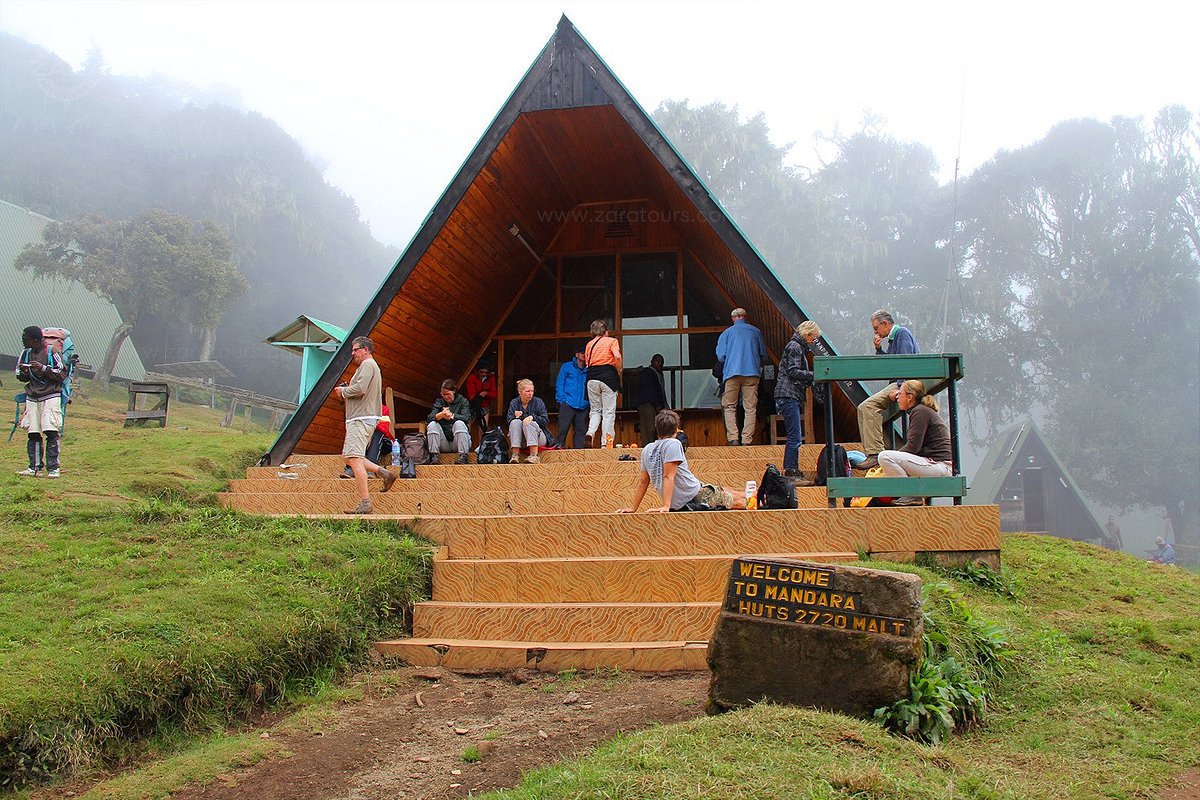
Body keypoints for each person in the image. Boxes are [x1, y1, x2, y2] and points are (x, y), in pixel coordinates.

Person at [618, 409, 746, 513]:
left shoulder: (647, 449)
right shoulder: (673, 443)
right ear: (676, 430)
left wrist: (633, 508)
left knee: (739, 499)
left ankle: (758, 496)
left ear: (657, 429)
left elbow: (643, 481)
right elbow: (667, 476)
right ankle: (753, 495)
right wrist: (666, 506)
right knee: (737, 500)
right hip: (694, 496)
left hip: (696, 493)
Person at [332, 336, 396, 513]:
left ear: (366, 350)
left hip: (360, 418)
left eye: (356, 350)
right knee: (348, 456)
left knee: (353, 458)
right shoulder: (369, 366)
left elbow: (360, 389)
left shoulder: (367, 365)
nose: (353, 353)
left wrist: (343, 391)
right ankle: (383, 473)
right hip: (362, 418)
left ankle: (365, 503)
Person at [856, 310, 920, 470]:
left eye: (876, 327)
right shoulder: (892, 340)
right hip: (900, 381)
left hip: (905, 382)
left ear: (885, 323)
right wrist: (878, 349)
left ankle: (876, 453)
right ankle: (878, 453)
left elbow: (904, 362)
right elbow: (888, 364)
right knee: (864, 411)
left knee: (867, 407)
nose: (875, 332)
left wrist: (901, 388)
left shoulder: (902, 334)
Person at [876, 379, 951, 506]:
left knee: (884, 456)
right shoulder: (920, 411)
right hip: (937, 465)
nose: (897, 396)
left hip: (941, 467)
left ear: (910, 397)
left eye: (900, 393)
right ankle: (910, 494)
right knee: (888, 459)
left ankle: (910, 494)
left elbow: (913, 447)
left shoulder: (920, 411)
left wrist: (887, 464)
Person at [15, 326, 66, 478]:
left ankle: (53, 468)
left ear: (35, 340)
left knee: (51, 431)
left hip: (50, 396)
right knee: (33, 433)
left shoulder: (53, 352)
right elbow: (19, 374)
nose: (23, 342)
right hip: (32, 396)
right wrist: (24, 372)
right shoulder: (25, 354)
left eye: (26, 339)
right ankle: (34, 467)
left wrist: (43, 368)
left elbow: (62, 372)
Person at [775, 320, 820, 478]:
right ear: (807, 334)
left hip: (788, 394)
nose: (813, 341)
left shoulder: (796, 346)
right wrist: (814, 375)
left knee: (794, 434)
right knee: (794, 435)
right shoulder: (795, 346)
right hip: (789, 394)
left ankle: (792, 467)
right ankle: (790, 469)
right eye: (813, 337)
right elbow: (793, 371)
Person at [716, 307, 766, 445]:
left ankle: (733, 439)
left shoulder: (726, 333)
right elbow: (763, 354)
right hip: (752, 373)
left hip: (732, 373)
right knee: (750, 408)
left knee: (729, 406)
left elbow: (721, 356)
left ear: (733, 318)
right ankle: (746, 440)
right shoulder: (756, 332)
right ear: (745, 316)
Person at [583, 319, 622, 448]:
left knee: (595, 410)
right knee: (608, 412)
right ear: (606, 331)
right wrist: (619, 370)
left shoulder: (589, 345)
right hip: (608, 377)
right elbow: (616, 356)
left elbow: (587, 363)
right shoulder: (612, 341)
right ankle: (606, 442)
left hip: (591, 378)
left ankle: (590, 432)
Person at [506, 378, 553, 463]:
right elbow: (509, 421)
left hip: (539, 438)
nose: (530, 393)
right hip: (521, 440)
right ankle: (515, 455)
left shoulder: (538, 402)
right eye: (527, 391)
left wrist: (533, 417)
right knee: (515, 422)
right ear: (520, 392)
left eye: (532, 391)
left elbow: (545, 420)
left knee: (529, 423)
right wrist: (515, 417)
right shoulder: (514, 403)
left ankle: (534, 455)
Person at [341, 404, 393, 479]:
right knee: (358, 432)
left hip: (383, 443)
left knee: (376, 433)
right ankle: (351, 468)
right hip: (364, 442)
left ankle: (371, 469)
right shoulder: (358, 408)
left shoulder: (382, 408)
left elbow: (384, 428)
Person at [426, 378, 472, 464]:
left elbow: (466, 418)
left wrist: (452, 416)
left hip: (459, 442)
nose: (446, 397)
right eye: (443, 394)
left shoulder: (463, 401)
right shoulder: (439, 402)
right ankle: (434, 456)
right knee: (432, 424)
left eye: (448, 394)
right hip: (443, 443)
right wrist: (440, 415)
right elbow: (429, 418)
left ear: (454, 391)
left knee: (459, 423)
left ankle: (463, 456)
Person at [554, 348, 589, 448]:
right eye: (582, 353)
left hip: (583, 405)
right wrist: (562, 400)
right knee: (563, 429)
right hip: (568, 403)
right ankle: (559, 451)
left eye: (586, 353)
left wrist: (588, 402)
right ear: (577, 354)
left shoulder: (589, 369)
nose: (584, 355)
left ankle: (578, 455)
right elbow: (560, 383)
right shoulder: (567, 366)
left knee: (581, 431)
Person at [635, 353, 668, 447]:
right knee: (650, 429)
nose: (659, 364)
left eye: (661, 362)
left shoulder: (657, 374)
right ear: (651, 362)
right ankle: (649, 449)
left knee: (651, 429)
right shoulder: (648, 373)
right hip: (648, 405)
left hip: (651, 404)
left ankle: (649, 448)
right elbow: (650, 390)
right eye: (657, 361)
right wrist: (657, 405)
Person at [465, 365, 496, 433]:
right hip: (472, 404)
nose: (484, 374)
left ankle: (482, 443)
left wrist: (486, 393)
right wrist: (479, 395)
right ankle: (466, 443)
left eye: (486, 372)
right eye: (482, 372)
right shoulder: (471, 378)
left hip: (484, 405)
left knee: (483, 428)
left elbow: (494, 393)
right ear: (478, 371)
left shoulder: (491, 378)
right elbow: (470, 394)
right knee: (467, 427)